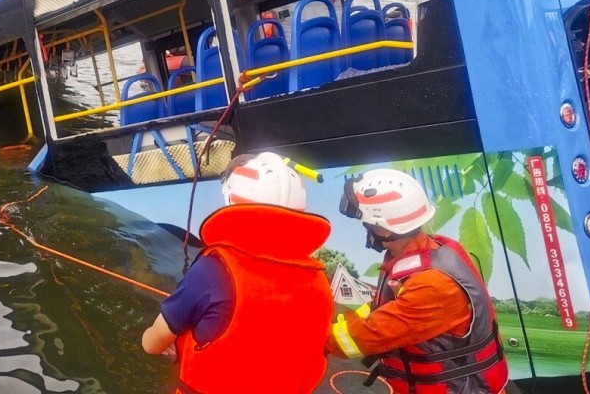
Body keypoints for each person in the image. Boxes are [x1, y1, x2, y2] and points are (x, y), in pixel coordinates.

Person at [141, 152, 334, 394]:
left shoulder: (213, 269)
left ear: (232, 198)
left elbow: (152, 344)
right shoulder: (319, 280)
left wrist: (167, 341)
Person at [326, 168, 509, 394]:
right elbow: (382, 311)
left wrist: (315, 339)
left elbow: (371, 334)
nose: (366, 229)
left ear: (383, 228)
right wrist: (333, 319)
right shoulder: (425, 252)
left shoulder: (433, 286)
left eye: (367, 223)